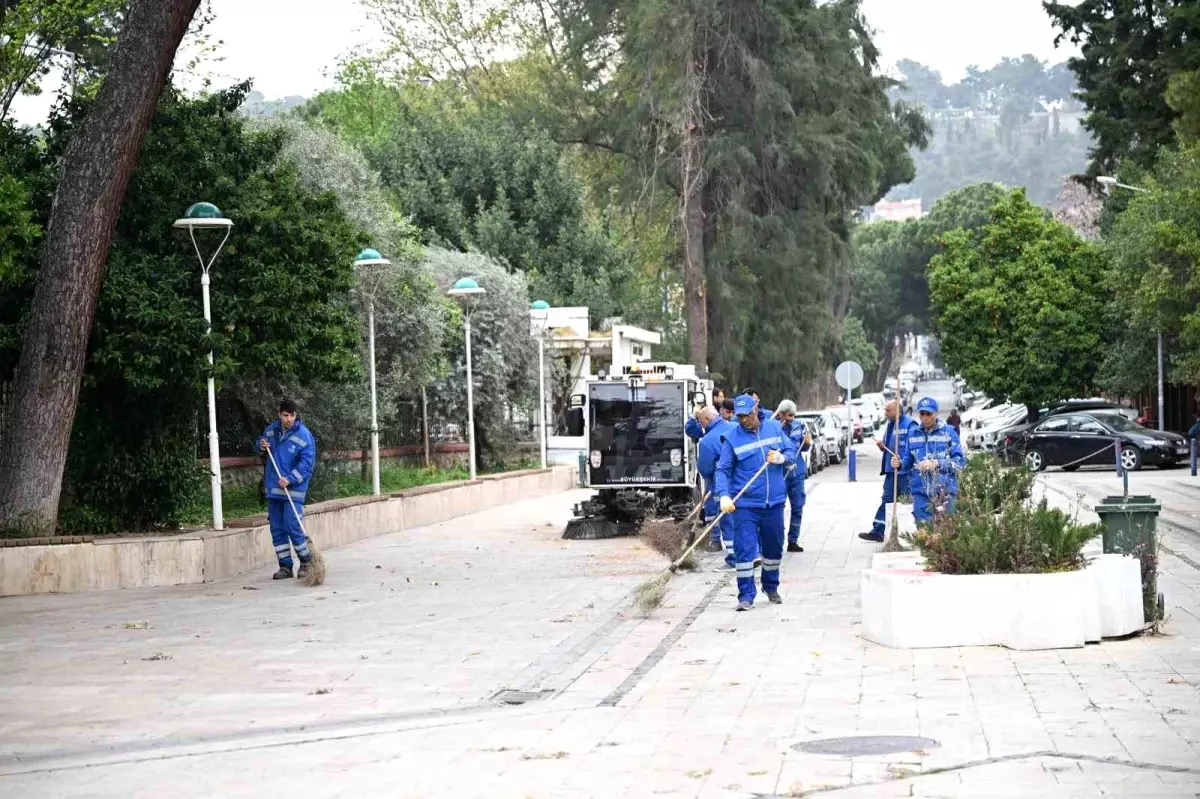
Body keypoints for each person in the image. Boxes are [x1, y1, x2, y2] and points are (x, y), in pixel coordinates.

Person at [716, 394, 797, 611]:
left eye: (747, 415)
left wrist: (782, 458)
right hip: (745, 505)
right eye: (740, 416)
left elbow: (791, 451)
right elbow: (723, 470)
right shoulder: (732, 437)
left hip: (774, 503)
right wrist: (723, 495)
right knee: (744, 549)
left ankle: (770, 586)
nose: (744, 420)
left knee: (774, 547)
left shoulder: (773, 428)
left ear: (756, 408)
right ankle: (746, 595)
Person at [258, 400, 317, 580]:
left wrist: (290, 479)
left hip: (293, 490)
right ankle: (285, 566)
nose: (289, 419)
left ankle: (306, 562)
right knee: (277, 528)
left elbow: (307, 465)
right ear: (279, 414)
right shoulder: (271, 431)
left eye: (292, 415)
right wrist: (260, 445)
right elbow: (261, 445)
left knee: (293, 525)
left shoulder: (304, 436)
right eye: (285, 415)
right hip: (274, 489)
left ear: (296, 415)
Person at [894, 396, 964, 528]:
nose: (925, 417)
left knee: (946, 533)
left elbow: (960, 462)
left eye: (929, 414)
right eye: (922, 414)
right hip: (920, 493)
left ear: (936, 413)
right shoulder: (913, 433)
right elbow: (907, 460)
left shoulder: (948, 432)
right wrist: (899, 464)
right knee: (924, 534)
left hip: (945, 493)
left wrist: (937, 463)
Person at [859, 400, 917, 543]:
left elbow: (913, 448)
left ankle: (911, 531)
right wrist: (882, 446)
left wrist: (903, 463)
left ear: (897, 410)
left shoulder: (910, 425)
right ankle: (878, 530)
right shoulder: (890, 425)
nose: (885, 413)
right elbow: (888, 445)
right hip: (891, 471)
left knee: (906, 501)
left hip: (904, 473)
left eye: (888, 410)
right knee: (887, 500)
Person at [696, 405, 736, 566]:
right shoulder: (734, 427)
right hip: (742, 481)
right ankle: (753, 552)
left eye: (701, 422)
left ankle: (733, 558)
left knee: (726, 518)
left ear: (707, 420)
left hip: (722, 484)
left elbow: (705, 469)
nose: (701, 425)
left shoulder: (707, 441)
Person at [775, 399, 810, 553]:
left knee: (798, 506)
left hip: (797, 473)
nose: (790, 418)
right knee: (777, 508)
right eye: (787, 415)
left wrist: (807, 443)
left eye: (792, 415)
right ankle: (777, 541)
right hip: (780, 473)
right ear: (781, 414)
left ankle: (793, 540)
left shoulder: (799, 425)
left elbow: (804, 447)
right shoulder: (773, 427)